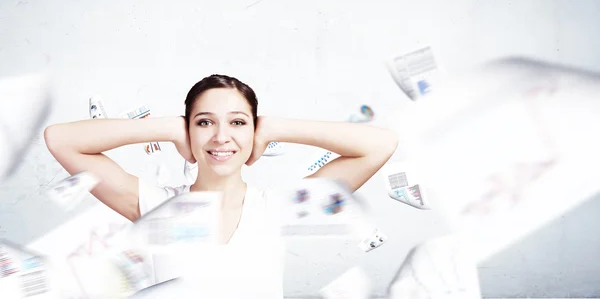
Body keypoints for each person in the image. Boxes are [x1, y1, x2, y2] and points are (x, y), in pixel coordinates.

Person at [44, 74, 399, 297]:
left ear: (254, 131)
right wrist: (167, 128)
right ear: (189, 130)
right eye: (204, 123)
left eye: (238, 122)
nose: (221, 137)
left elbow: (379, 146)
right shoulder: (153, 204)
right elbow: (61, 140)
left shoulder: (278, 207)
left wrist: (275, 128)